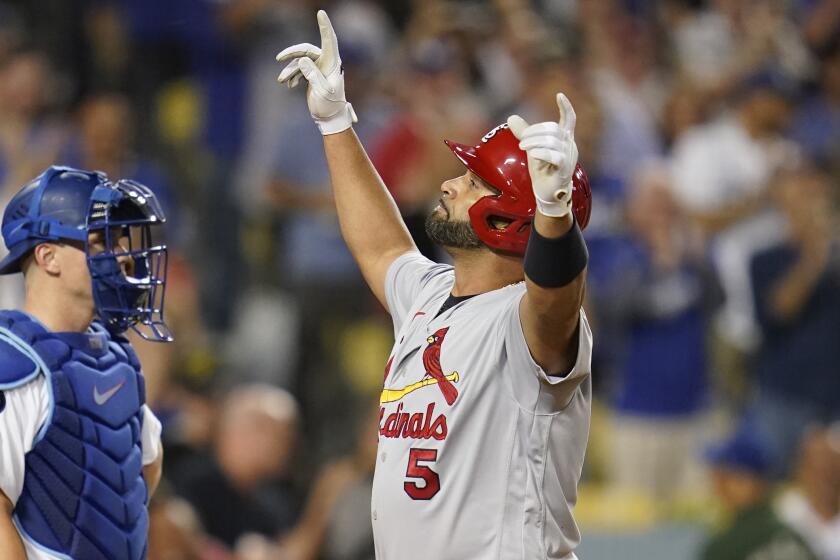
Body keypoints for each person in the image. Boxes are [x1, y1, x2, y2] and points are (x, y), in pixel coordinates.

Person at [276, 11, 593, 559]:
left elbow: (558, 297)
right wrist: (335, 123)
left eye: (472, 183)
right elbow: (381, 246)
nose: (448, 182)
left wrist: (554, 213)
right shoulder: (431, 294)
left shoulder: (526, 321)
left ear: (505, 220)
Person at [0, 165, 172, 559]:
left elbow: (145, 468)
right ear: (48, 257)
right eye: (100, 241)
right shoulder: (12, 364)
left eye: (122, 241)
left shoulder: (115, 355)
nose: (125, 257)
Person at [700, 427, 818, 560]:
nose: (718, 485)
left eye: (726, 476)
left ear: (754, 483)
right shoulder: (793, 538)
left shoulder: (725, 547)